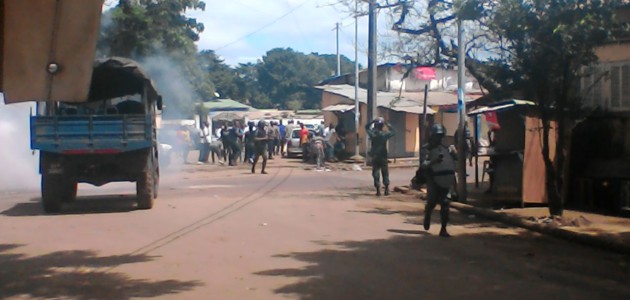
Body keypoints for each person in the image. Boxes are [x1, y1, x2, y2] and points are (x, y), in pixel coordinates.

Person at [421, 124, 457, 237]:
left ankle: (443, 229)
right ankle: (428, 213)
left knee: (445, 203)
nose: (439, 138)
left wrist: (454, 153)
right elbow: (423, 165)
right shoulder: (426, 149)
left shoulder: (446, 148)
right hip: (432, 178)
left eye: (440, 136)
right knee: (432, 202)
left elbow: (454, 162)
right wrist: (434, 161)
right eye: (437, 136)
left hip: (445, 177)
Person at [365, 117, 396, 196]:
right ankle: (386, 189)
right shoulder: (385, 134)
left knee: (376, 172)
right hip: (383, 156)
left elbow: (366, 127)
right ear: (382, 126)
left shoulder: (373, 134)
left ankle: (378, 190)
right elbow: (393, 131)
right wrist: (386, 123)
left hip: (375, 156)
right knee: (385, 172)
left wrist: (372, 121)